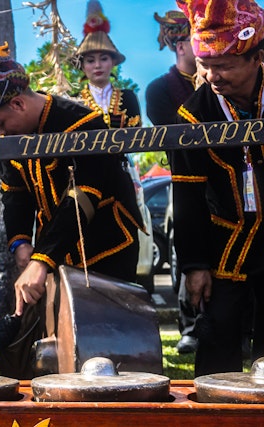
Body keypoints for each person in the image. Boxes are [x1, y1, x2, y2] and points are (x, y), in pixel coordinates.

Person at [0, 42, 142, 378]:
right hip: (57, 251)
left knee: (109, 347)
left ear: (18, 102)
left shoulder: (84, 125)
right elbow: (16, 195)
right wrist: (21, 244)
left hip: (109, 246)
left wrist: (42, 261)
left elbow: (81, 200)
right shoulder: (12, 135)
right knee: (60, 343)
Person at [171, 0, 264, 376]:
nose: (212, 76)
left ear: (257, 57)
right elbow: (187, 197)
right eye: (205, 65)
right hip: (227, 247)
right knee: (217, 345)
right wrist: (194, 265)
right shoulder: (193, 116)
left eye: (224, 65)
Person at [145, 11, 198, 355]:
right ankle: (190, 325)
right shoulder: (159, 89)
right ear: (181, 44)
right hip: (185, 177)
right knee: (187, 244)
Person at [73, 0, 141, 129]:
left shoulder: (128, 97)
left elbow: (137, 135)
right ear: (82, 66)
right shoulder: (73, 102)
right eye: (91, 60)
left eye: (104, 59)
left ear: (113, 62)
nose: (97, 65)